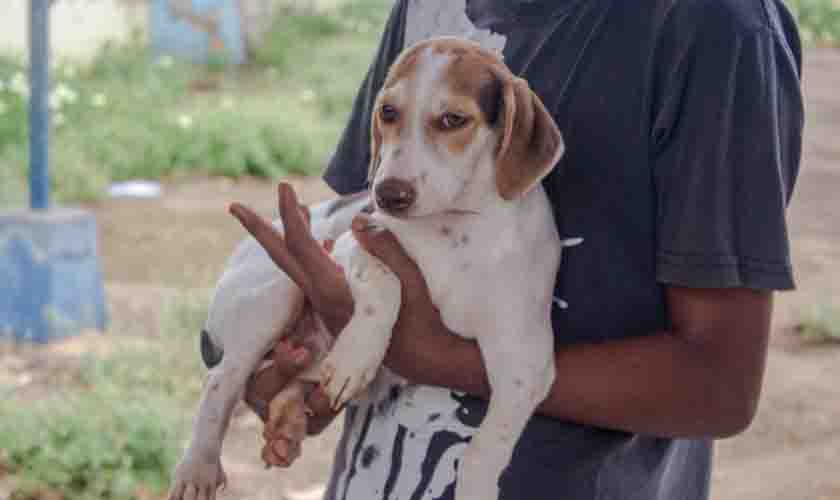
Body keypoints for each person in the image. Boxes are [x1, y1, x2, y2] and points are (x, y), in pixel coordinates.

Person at [235, 1, 804, 499]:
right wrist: (308, 379)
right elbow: (373, 234)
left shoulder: (715, 27)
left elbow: (719, 385)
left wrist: (432, 358)